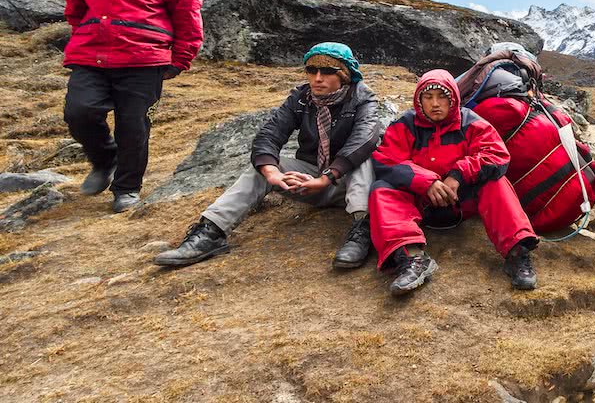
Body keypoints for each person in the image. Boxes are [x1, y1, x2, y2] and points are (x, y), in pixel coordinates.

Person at [155, 43, 381, 269]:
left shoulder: (363, 97)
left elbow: (363, 140)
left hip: (346, 182)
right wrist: (271, 172)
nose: (318, 78)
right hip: (310, 179)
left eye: (328, 71)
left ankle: (361, 228)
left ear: (344, 74)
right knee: (263, 165)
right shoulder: (301, 97)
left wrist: (325, 178)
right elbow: (269, 135)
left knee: (365, 157)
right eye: (312, 70)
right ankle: (211, 231)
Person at [63, 0, 204, 213]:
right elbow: (75, 13)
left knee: (133, 126)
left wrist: (180, 59)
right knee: (79, 112)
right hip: (91, 59)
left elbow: (189, 18)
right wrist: (89, 38)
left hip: (144, 62)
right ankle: (104, 161)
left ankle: (127, 188)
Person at [369, 69, 539, 296]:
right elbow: (387, 159)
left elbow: (497, 155)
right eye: (428, 97)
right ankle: (410, 257)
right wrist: (426, 182)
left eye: (442, 97)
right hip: (420, 202)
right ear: (419, 99)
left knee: (496, 182)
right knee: (382, 189)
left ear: (454, 99)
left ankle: (516, 252)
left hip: (463, 201)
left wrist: (458, 175)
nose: (435, 104)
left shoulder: (472, 122)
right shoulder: (405, 124)